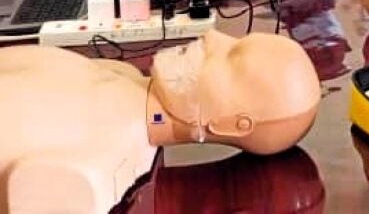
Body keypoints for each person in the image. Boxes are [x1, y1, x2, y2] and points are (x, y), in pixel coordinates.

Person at [0, 30, 320, 212]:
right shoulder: (118, 77)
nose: (212, 36)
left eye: (233, 57)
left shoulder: (92, 164)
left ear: (231, 124)